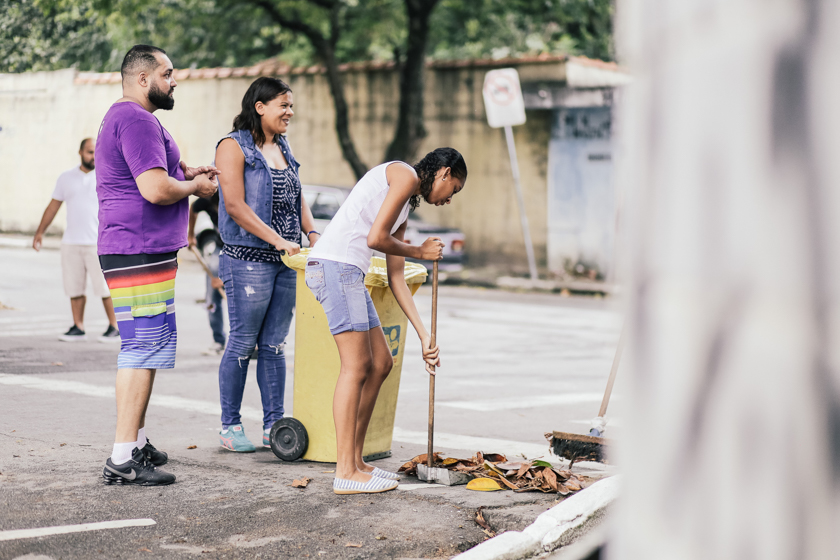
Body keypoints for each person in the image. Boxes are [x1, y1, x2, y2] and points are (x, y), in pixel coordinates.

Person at [306, 147, 467, 495]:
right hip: (336, 267)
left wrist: (425, 336)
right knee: (357, 365)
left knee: (381, 362)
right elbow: (376, 239)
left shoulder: (406, 205)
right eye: (453, 189)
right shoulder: (404, 175)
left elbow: (396, 278)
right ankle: (345, 470)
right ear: (443, 172)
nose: (448, 199)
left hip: (349, 271)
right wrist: (420, 252)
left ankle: (356, 462)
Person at [96, 45, 219, 486]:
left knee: (149, 347)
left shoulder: (136, 119)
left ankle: (136, 442)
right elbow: (152, 188)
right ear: (143, 78)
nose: (174, 81)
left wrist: (188, 173)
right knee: (141, 349)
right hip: (136, 247)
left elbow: (161, 173)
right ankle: (121, 457)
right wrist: (194, 188)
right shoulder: (134, 118)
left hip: (141, 246)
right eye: (168, 74)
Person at [214, 77, 320, 453]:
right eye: (283, 105)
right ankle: (230, 426)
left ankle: (273, 425)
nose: (290, 112)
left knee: (274, 345)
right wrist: (278, 240)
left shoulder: (283, 146)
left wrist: (311, 232)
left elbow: (297, 191)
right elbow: (235, 206)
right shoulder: (233, 146)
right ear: (260, 107)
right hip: (247, 260)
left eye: (291, 105)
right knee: (243, 343)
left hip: (285, 262)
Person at [32, 139, 119, 342]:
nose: (93, 156)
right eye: (89, 152)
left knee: (105, 288)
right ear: (80, 152)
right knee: (74, 287)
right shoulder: (66, 178)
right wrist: (40, 232)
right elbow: (53, 206)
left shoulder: (107, 176)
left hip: (99, 243)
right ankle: (78, 326)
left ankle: (114, 327)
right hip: (71, 242)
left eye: (96, 152)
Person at [187, 192, 226, 355]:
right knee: (211, 296)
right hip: (219, 247)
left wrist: (225, 281)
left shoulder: (238, 194)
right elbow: (193, 208)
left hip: (242, 249)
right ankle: (218, 340)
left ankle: (252, 343)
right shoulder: (208, 198)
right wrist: (190, 236)